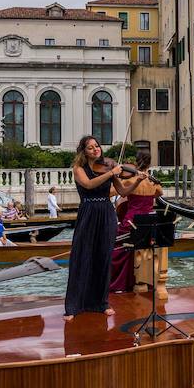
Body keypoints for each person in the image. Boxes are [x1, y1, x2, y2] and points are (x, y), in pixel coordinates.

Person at [65, 135, 123, 320]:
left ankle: (101, 303)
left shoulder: (108, 166)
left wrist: (137, 181)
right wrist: (111, 173)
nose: (95, 149)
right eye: (90, 147)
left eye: (97, 146)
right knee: (82, 257)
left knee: (103, 258)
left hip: (106, 212)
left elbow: (122, 191)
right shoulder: (78, 169)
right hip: (88, 212)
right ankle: (74, 306)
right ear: (84, 151)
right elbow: (89, 185)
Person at [110, 152, 162, 295]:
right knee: (145, 250)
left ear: (136, 163)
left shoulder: (130, 180)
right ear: (149, 164)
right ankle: (145, 281)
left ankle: (121, 283)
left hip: (132, 220)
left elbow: (109, 193)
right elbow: (159, 193)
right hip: (149, 222)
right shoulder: (153, 183)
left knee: (118, 248)